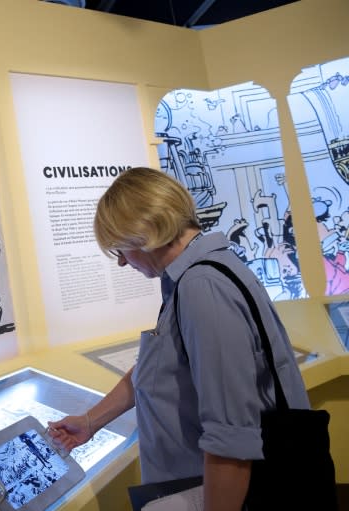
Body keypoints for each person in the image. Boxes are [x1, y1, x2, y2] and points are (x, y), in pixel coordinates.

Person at [48, 167, 310, 511]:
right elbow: (159, 366)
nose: (123, 263)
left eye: (121, 249)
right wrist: (91, 421)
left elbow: (230, 436)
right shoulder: (192, 278)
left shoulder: (202, 288)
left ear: (144, 232)